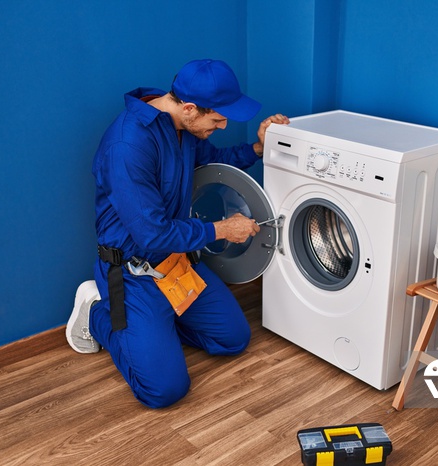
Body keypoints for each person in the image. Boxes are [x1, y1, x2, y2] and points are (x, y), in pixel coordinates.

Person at [66, 58, 289, 409]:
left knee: (233, 339)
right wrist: (222, 230)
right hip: (133, 273)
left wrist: (258, 148)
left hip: (176, 264)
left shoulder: (185, 128)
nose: (224, 123)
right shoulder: (127, 147)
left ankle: (155, 330)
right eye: (217, 118)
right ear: (188, 108)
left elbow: (214, 160)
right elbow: (152, 235)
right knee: (164, 390)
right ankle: (97, 312)